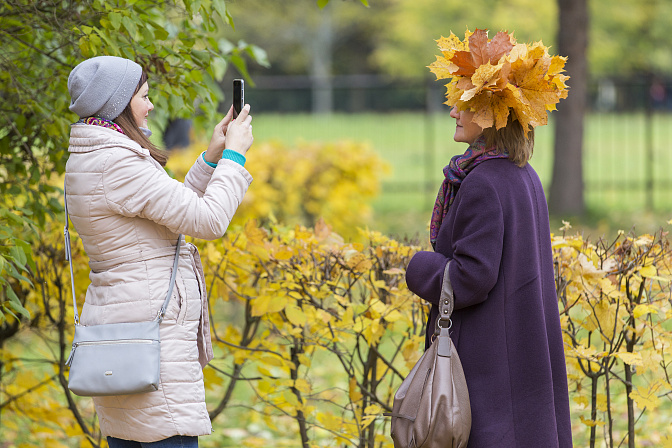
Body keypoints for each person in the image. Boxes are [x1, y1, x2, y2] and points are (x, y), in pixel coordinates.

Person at [65, 55, 254, 447]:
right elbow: (209, 220)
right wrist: (236, 156)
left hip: (125, 331)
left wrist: (212, 158)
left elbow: (171, 209)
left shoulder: (95, 155)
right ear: (119, 103)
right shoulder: (117, 163)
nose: (150, 106)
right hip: (151, 336)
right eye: (144, 96)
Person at [405, 29, 573, 447]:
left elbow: (471, 278)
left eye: (464, 103)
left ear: (493, 112)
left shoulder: (483, 182)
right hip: (520, 358)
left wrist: (418, 267)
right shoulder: (522, 176)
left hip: (490, 370)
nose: (452, 112)